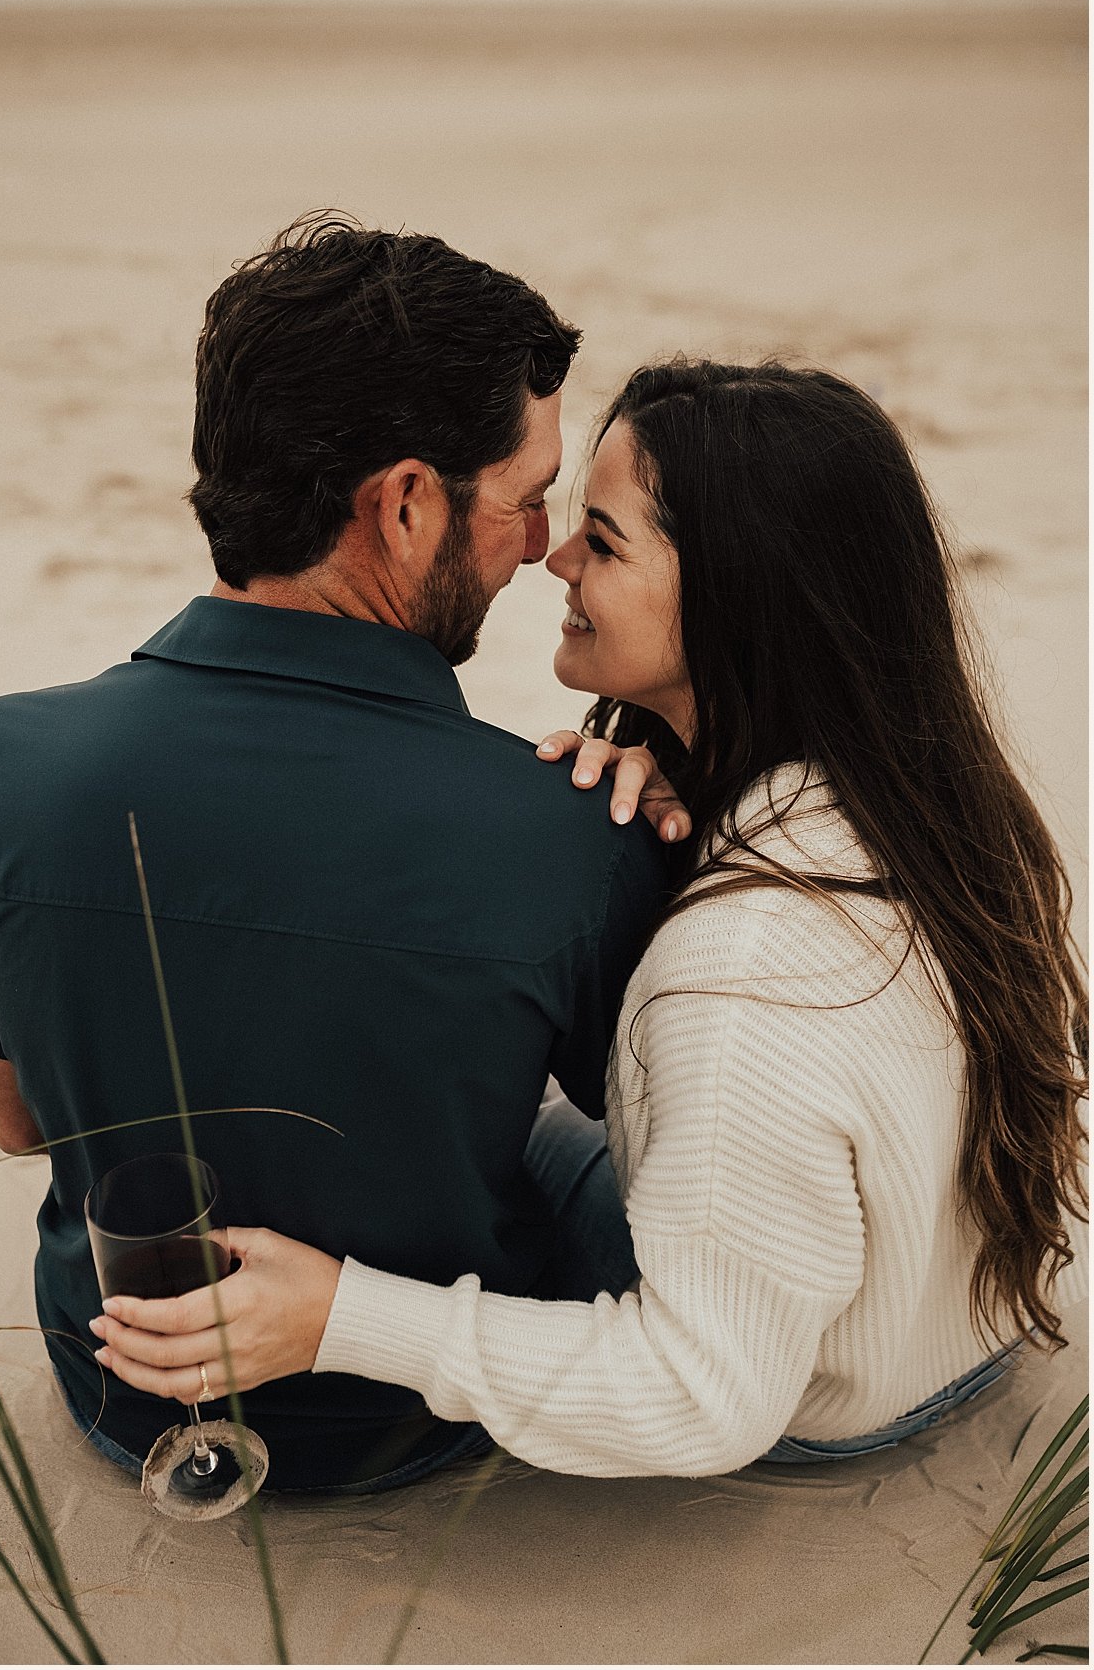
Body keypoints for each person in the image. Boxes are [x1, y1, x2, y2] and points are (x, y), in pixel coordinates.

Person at [95, 362, 1088, 1479]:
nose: (551, 558)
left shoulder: (740, 977)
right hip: (948, 1316)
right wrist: (680, 810)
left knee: (469, 1146)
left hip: (822, 1395)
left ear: (741, 598)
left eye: (603, 543)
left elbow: (703, 1399)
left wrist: (340, 1318)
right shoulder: (921, 797)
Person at [0, 217, 665, 1495]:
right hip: (420, 1426)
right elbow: (672, 1171)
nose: (544, 544)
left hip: (117, 1392)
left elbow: (19, 1122)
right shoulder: (566, 833)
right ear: (404, 504)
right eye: (527, 495)